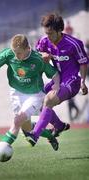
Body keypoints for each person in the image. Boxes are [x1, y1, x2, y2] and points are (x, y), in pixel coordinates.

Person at [0, 34, 61, 162]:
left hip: (35, 95)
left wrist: (56, 86)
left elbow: (55, 73)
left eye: (19, 53)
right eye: (14, 53)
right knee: (26, 129)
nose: (16, 56)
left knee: (17, 121)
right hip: (16, 94)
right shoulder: (9, 54)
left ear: (28, 48)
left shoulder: (38, 59)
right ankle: (50, 135)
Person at [26, 13, 89, 146]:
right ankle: (59, 126)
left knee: (48, 100)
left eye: (51, 33)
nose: (48, 36)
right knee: (36, 100)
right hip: (57, 80)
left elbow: (83, 63)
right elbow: (36, 55)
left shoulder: (74, 44)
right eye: (46, 33)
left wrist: (83, 81)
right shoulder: (44, 41)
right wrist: (42, 55)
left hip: (71, 82)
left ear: (60, 30)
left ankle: (34, 135)